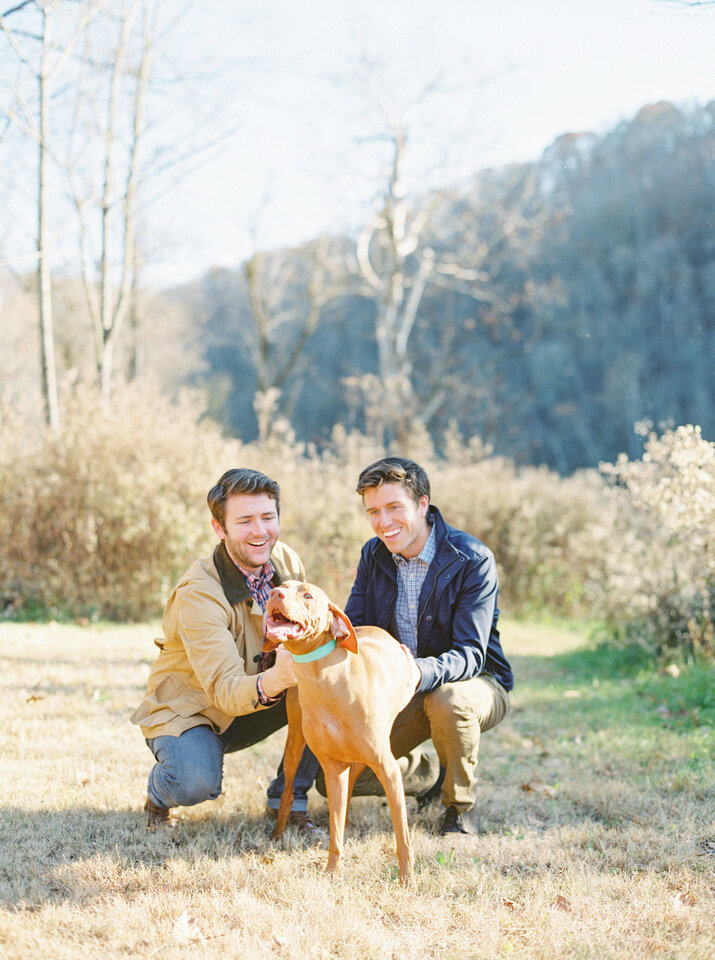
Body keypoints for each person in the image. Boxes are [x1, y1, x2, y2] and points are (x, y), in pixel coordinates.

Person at [131, 468, 321, 838]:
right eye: (244, 521)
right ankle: (159, 794)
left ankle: (289, 801)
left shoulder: (287, 561)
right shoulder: (199, 592)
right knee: (196, 782)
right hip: (193, 710)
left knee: (324, 691)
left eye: (268, 518)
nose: (260, 531)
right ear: (220, 528)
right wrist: (281, 677)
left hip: (259, 697)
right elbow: (222, 689)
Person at [342, 456, 513, 836]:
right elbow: (356, 629)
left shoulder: (472, 559)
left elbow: (471, 654)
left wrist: (417, 671)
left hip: (477, 683)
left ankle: (458, 809)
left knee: (447, 700)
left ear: (422, 504)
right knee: (336, 775)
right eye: (373, 511)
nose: (383, 522)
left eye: (393, 508)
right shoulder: (373, 554)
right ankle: (426, 775)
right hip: (403, 690)